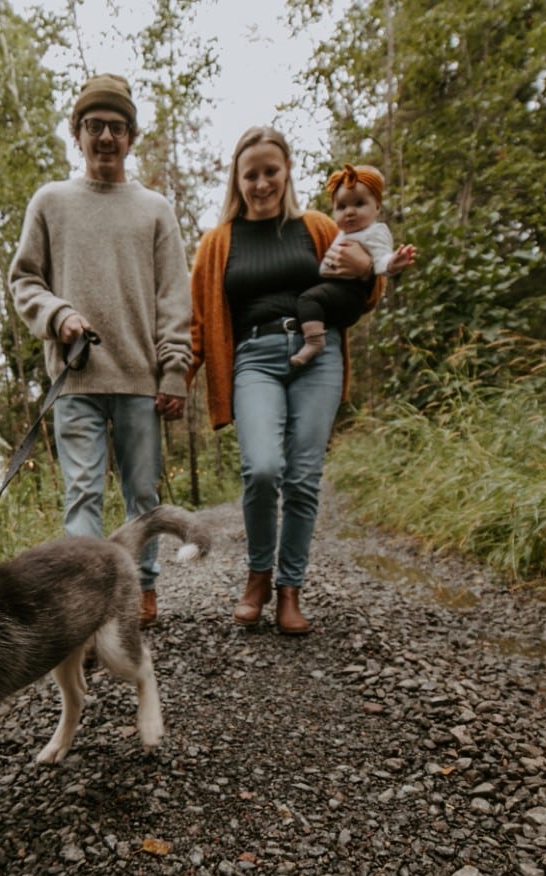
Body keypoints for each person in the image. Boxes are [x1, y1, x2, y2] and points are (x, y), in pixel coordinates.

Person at [189, 127, 412, 634]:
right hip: (254, 357)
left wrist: (369, 270)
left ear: (286, 172)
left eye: (271, 171)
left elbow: (365, 287)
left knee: (303, 476)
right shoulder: (218, 242)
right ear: (237, 179)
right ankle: (258, 577)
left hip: (319, 354)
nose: (262, 183)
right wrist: (177, 377)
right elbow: (198, 322)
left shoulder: (316, 225)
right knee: (263, 469)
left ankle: (290, 590)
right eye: (252, 174)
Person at [9, 73, 190, 628]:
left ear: (132, 136)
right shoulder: (51, 201)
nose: (105, 137)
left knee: (143, 495)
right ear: (77, 132)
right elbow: (24, 281)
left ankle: (142, 590)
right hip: (77, 382)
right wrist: (57, 316)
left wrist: (175, 368)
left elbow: (173, 296)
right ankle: (85, 606)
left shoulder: (155, 208)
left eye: (116, 127)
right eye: (94, 126)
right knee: (81, 496)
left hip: (141, 379)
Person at [289, 163, 417, 366]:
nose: (349, 212)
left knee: (308, 299)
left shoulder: (375, 232)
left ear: (376, 207)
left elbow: (380, 259)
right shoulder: (341, 233)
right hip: (334, 289)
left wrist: (393, 262)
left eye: (359, 204)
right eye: (341, 207)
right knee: (308, 297)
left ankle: (314, 342)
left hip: (351, 292)